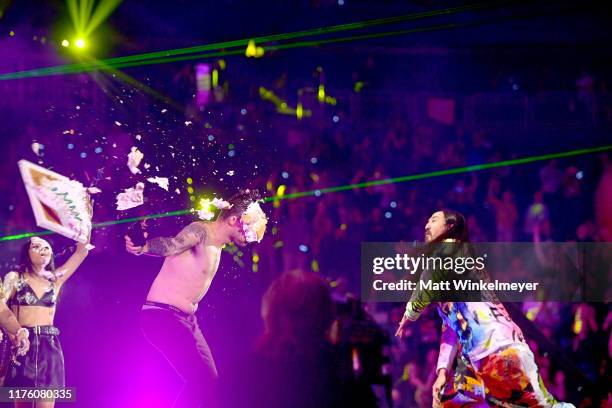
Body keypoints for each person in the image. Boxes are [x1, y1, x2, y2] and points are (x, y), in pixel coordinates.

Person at [395, 209, 573, 408]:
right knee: (448, 402)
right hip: (480, 360)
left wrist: (409, 315)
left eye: (434, 220)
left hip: (501, 350)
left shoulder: (452, 250)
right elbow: (452, 328)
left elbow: (425, 286)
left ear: (450, 227)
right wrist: (443, 370)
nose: (426, 225)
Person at [125, 189, 267, 408]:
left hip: (186, 321)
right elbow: (172, 245)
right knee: (202, 382)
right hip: (162, 316)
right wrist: (143, 247)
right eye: (248, 227)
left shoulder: (218, 246)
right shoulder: (201, 231)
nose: (251, 238)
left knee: (210, 385)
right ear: (234, 220)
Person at [2, 234, 91, 408]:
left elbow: (82, 252)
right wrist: (12, 332)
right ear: (26, 254)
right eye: (36, 246)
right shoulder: (15, 278)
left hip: (48, 347)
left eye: (46, 247)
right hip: (22, 345)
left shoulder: (55, 279)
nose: (42, 249)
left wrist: (84, 219)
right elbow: (1, 308)